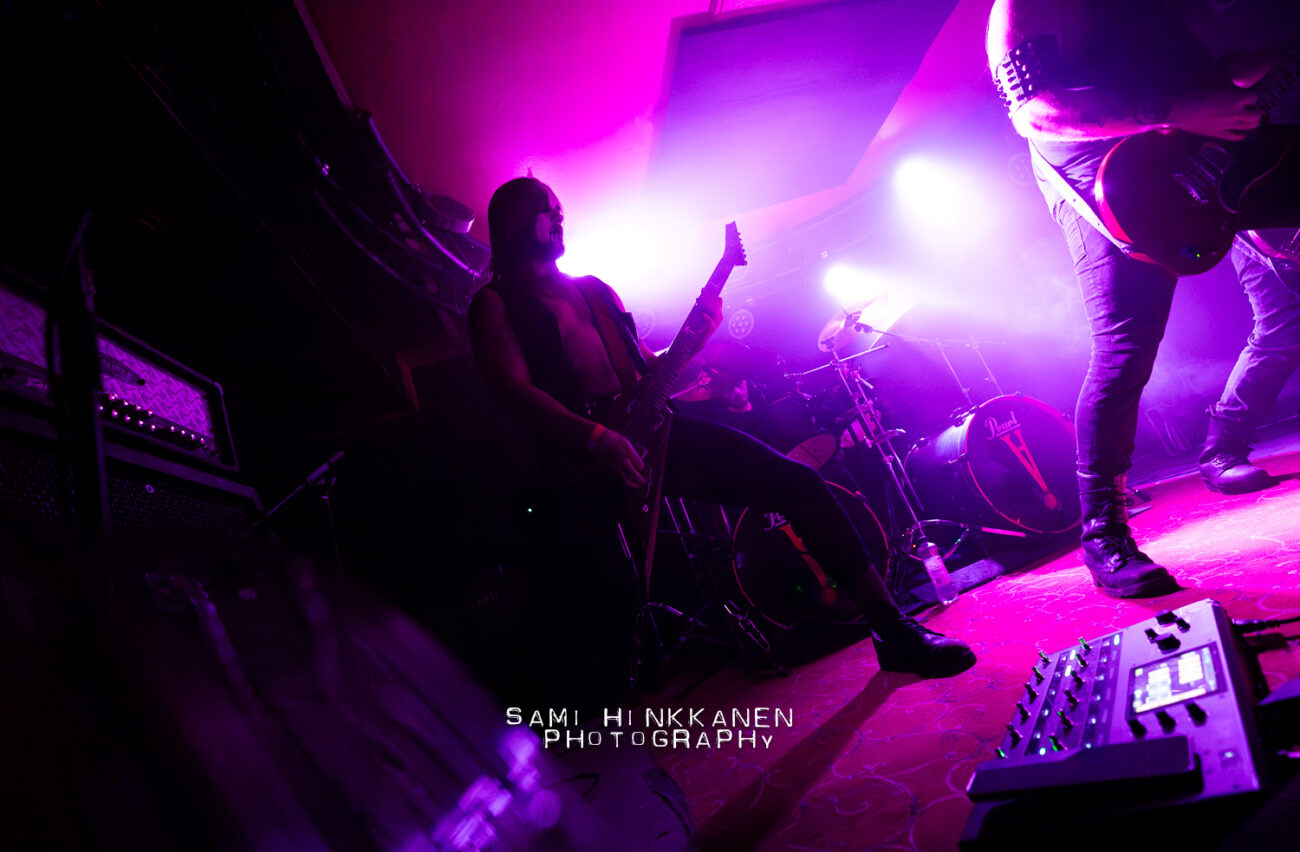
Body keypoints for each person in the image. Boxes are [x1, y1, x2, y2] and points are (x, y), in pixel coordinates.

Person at [467, 176, 975, 682]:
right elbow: (513, 391)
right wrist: (595, 438)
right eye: (545, 208)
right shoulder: (495, 303)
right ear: (513, 222)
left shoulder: (594, 291)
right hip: (577, 462)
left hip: (652, 436)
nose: (558, 216)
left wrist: (699, 339)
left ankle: (892, 630)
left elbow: (646, 370)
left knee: (798, 483)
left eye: (559, 207)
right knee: (605, 593)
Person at [986, 0, 1300, 598]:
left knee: (1283, 309)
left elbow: (1197, 71)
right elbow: (1034, 111)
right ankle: (1104, 533)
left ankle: (1221, 450)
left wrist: (1271, 60)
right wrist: (1177, 110)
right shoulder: (1025, 6)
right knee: (1125, 354)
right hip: (1111, 177)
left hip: (1194, 144)